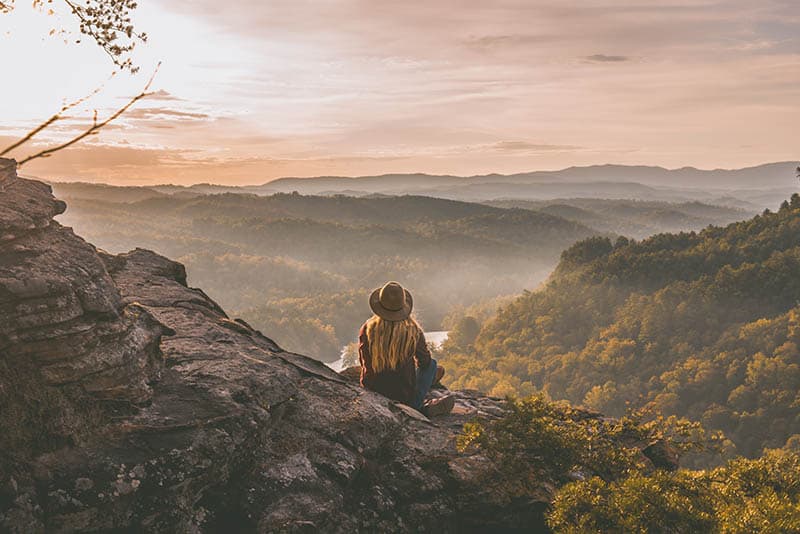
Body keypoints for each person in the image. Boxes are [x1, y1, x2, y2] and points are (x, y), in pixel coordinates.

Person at [358, 281, 454, 417]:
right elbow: (424, 362)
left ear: (379, 306)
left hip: (373, 393)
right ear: (403, 306)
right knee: (432, 365)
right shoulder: (413, 331)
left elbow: (365, 364)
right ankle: (418, 407)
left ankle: (420, 407)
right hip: (405, 396)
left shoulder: (367, 329)